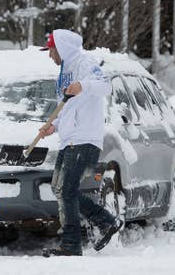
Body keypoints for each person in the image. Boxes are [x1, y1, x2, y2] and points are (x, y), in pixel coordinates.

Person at [38, 29, 122, 257]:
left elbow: (106, 86)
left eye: (51, 50)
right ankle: (106, 221)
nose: (50, 56)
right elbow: (67, 108)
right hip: (69, 139)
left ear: (61, 48)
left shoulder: (85, 63)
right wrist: (53, 127)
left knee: (66, 190)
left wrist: (83, 86)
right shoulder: (65, 72)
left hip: (85, 139)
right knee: (60, 188)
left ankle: (71, 245)